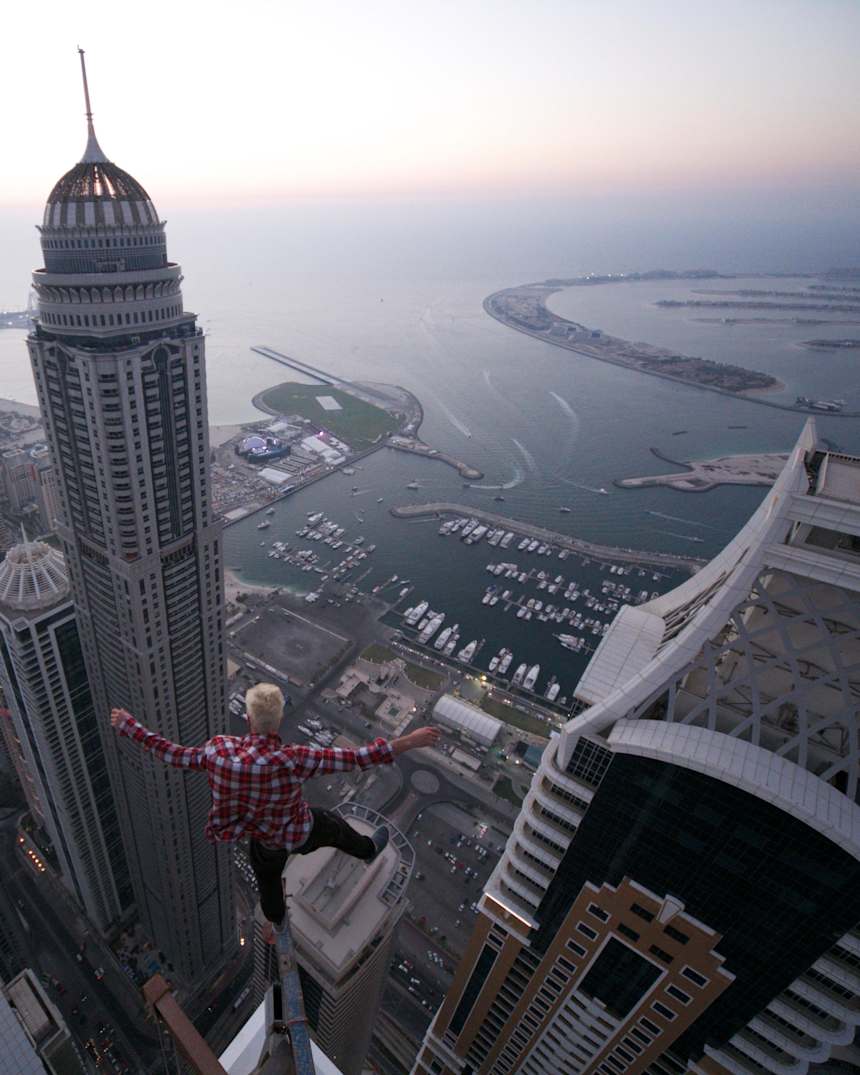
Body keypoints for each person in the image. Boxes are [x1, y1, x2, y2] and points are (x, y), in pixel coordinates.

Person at [110, 683, 440, 941]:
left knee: (267, 884)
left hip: (263, 841)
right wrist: (408, 741)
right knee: (335, 826)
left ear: (249, 720)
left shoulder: (219, 752)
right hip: (300, 832)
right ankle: (368, 850)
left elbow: (172, 754)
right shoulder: (293, 757)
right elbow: (357, 759)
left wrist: (130, 726)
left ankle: (279, 923)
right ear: (278, 720)